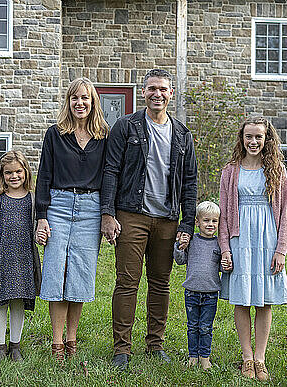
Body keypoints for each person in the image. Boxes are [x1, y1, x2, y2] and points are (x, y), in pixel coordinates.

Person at [101, 68, 198, 370]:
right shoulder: (126, 126)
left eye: (163, 89)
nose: (157, 94)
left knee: (161, 283)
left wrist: (187, 224)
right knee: (127, 282)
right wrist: (107, 214)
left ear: (172, 94)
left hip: (167, 220)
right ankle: (122, 349)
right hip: (131, 216)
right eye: (151, 88)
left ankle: (155, 345)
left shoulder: (182, 134)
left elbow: (190, 182)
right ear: (143, 92)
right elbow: (110, 171)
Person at [34, 77, 109, 362]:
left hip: (91, 207)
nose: (80, 103)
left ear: (93, 103)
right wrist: (41, 216)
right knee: (56, 273)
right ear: (68, 102)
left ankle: (72, 340)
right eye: (75, 98)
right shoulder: (55, 134)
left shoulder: (104, 136)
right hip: (59, 206)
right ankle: (56, 343)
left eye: (85, 98)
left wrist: (106, 214)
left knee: (79, 275)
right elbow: (44, 176)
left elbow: (109, 177)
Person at [218, 116, 287, 381]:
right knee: (242, 298)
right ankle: (246, 358)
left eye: (258, 137)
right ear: (242, 139)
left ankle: (260, 359)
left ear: (266, 139)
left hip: (267, 239)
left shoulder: (277, 171)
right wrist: (225, 248)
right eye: (249, 136)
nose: (253, 141)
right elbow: (224, 214)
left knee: (263, 299)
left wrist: (281, 249)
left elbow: (284, 214)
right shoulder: (230, 171)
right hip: (240, 240)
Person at [0, 150, 41, 362]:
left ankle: (15, 345)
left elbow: (38, 226)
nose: (14, 176)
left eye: (18, 171)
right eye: (8, 173)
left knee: (18, 302)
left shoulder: (34, 199)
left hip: (24, 258)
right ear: (1, 175)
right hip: (1, 259)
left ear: (26, 172)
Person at [173, 201, 224, 370]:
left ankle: (205, 357)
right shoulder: (192, 240)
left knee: (206, 328)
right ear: (197, 222)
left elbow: (223, 268)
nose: (210, 224)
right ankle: (192, 356)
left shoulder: (219, 244)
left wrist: (227, 262)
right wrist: (180, 245)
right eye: (206, 220)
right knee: (192, 327)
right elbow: (180, 260)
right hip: (192, 292)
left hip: (210, 293)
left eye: (214, 221)